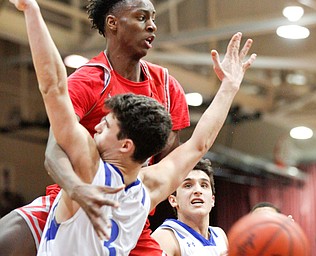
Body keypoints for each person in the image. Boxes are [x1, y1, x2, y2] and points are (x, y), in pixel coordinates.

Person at [9, 0, 255, 254]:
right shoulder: (148, 188)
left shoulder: (89, 169)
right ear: (113, 23)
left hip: (88, 198)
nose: (95, 129)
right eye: (141, 17)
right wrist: (229, 88)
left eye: (105, 125)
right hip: (91, 197)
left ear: (126, 144)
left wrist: (32, 10)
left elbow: (53, 86)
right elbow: (199, 144)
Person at [151, 158, 228, 256]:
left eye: (204, 185)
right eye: (188, 185)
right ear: (173, 200)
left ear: (212, 200)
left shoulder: (220, 235)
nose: (197, 190)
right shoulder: (166, 237)